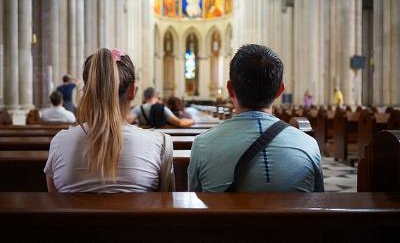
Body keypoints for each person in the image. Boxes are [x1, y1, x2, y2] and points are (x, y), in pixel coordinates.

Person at [188, 44, 324, 192]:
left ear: (230, 89)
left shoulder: (202, 145)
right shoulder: (309, 144)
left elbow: (195, 204)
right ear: (280, 91)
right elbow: (318, 202)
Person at [44, 48, 175, 193]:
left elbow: (55, 202)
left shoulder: (59, 142)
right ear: (132, 91)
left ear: (87, 91)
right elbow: (165, 202)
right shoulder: (160, 145)